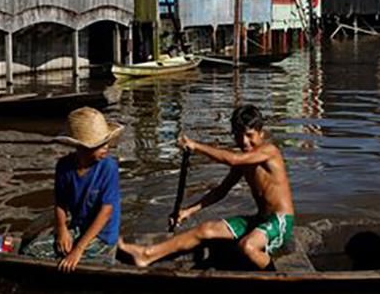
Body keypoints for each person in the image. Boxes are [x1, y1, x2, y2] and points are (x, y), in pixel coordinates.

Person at [119, 105, 294, 270]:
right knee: (205, 230)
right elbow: (220, 191)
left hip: (280, 221)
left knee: (247, 247)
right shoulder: (245, 161)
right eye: (238, 135)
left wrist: (196, 146)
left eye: (249, 135)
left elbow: (232, 159)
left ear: (261, 133)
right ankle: (147, 254)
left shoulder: (269, 151)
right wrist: (188, 211)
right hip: (261, 219)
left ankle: (273, 274)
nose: (244, 141)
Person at [0, 107, 123, 271]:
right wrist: (62, 229)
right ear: (82, 147)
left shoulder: (108, 167)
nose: (106, 148)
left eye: (106, 143)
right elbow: (60, 204)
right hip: (79, 228)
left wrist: (78, 250)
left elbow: (106, 212)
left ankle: (103, 256)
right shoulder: (64, 167)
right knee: (34, 245)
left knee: (31, 252)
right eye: (100, 145)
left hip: (102, 236)